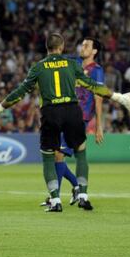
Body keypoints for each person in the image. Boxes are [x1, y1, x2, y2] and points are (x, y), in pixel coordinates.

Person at [0, 33, 130, 212]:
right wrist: (118, 97)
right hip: (72, 111)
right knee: (80, 152)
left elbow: (20, 92)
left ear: (47, 47)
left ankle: (55, 200)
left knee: (48, 156)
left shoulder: (38, 68)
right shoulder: (72, 65)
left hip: (50, 112)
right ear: (62, 47)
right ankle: (83, 194)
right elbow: (92, 85)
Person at [42, 37, 106, 207]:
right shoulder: (72, 63)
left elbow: (99, 97)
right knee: (59, 154)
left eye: (87, 45)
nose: (82, 47)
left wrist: (99, 125)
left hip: (80, 117)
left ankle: (57, 197)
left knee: (60, 154)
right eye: (82, 44)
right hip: (65, 113)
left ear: (94, 51)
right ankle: (76, 188)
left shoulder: (96, 70)